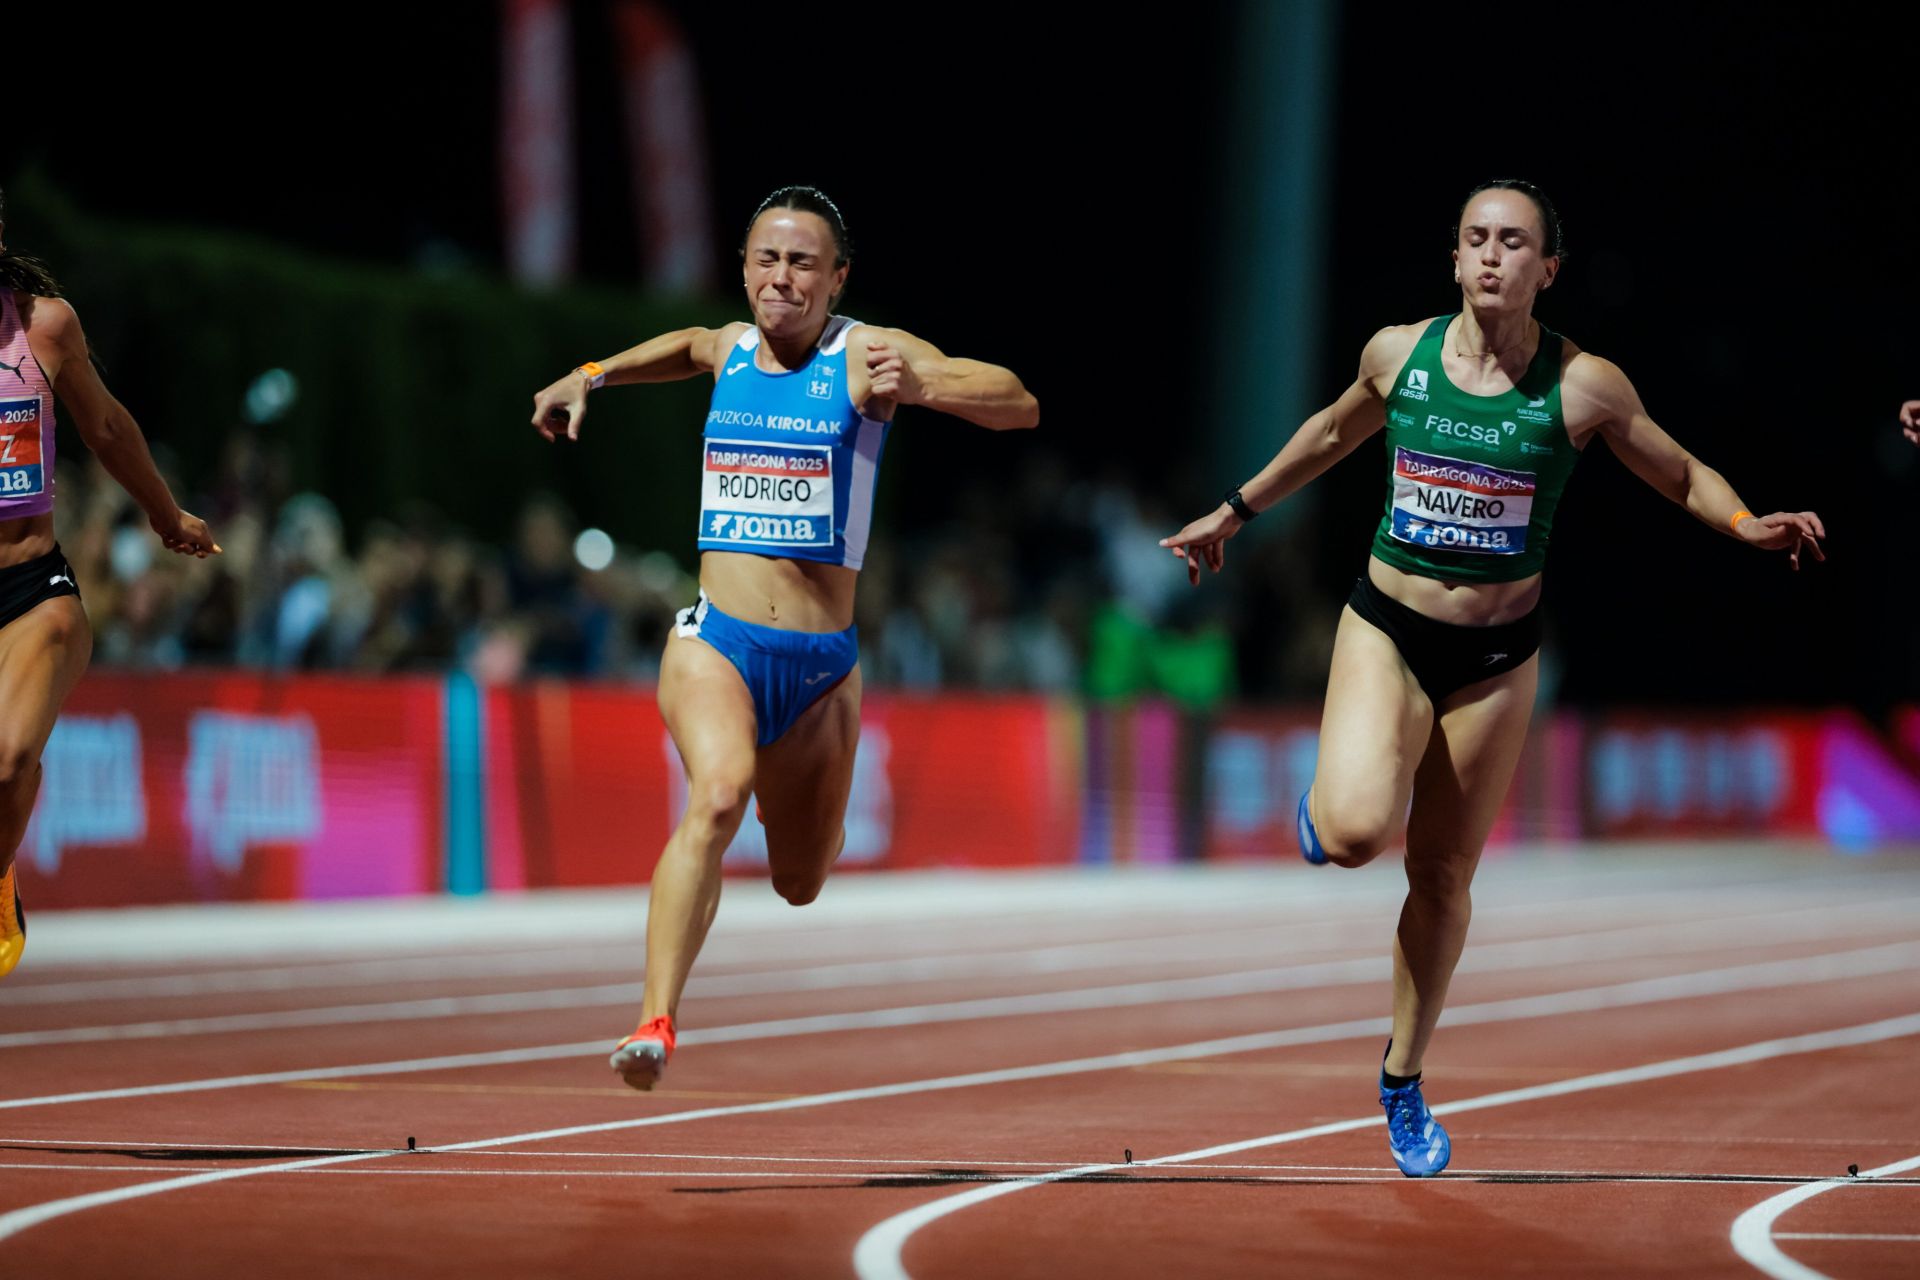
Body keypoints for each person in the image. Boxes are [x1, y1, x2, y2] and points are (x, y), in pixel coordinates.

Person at [1159, 179, 1824, 1176]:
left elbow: (1681, 472)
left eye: (1514, 242)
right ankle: (1325, 808)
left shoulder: (1584, 383)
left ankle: (1402, 1077)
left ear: (1546, 268)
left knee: (1441, 875)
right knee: (1350, 835)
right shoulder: (1399, 353)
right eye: (1476, 238)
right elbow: (1334, 432)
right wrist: (1233, 511)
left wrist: (1745, 524)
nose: (1491, 256)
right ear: (1455, 256)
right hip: (1387, 626)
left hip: (1497, 660)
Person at [527, 186, 1038, 1090]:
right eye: (767, 258)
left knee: (800, 880)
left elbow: (1017, 402)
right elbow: (684, 346)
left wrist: (924, 386)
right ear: (744, 268)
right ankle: (654, 1019)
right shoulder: (727, 349)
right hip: (717, 644)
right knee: (717, 799)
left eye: (803, 262)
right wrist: (591, 375)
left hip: (821, 670)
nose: (782, 277)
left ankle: (799, 818)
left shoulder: (865, 355)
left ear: (837, 280)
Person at [0, 186, 220, 979]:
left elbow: (108, 427)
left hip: (31, 590)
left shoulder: (42, 325)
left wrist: (167, 516)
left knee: (7, 756)